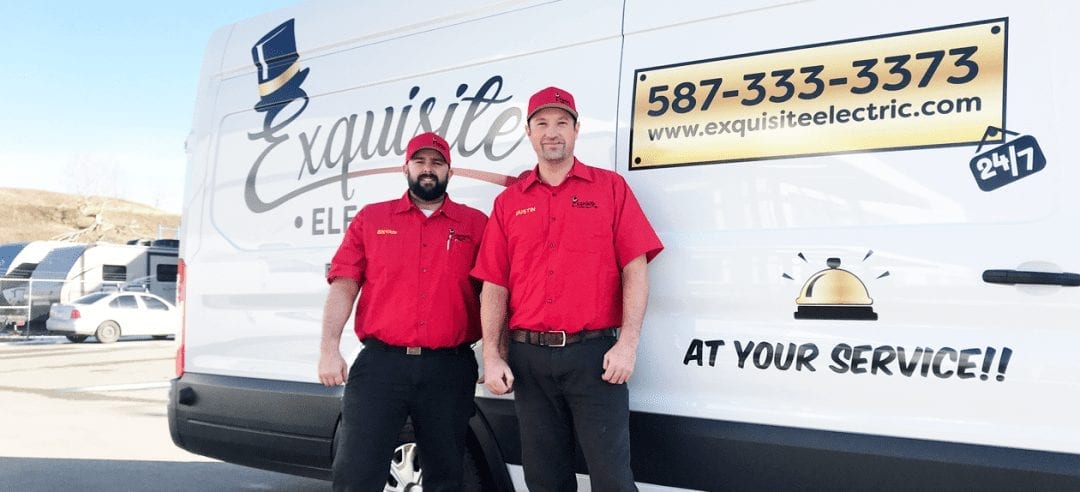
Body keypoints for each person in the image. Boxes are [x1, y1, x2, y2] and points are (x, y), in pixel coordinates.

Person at [471, 87, 664, 491]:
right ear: (528, 132)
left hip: (595, 359)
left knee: (612, 478)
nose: (551, 132)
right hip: (528, 361)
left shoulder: (609, 189)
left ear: (577, 130)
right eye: (541, 123)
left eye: (561, 122)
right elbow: (494, 285)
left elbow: (636, 268)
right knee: (545, 479)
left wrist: (627, 344)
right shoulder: (509, 203)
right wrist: (492, 355)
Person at [318, 132, 487, 492]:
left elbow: (493, 292)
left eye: (437, 163)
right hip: (381, 366)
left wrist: (495, 352)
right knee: (355, 473)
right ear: (405, 167)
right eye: (420, 161)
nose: (428, 169)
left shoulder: (475, 224)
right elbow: (344, 284)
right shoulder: (371, 218)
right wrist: (328, 350)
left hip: (449, 368)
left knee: (446, 475)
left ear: (449, 172)